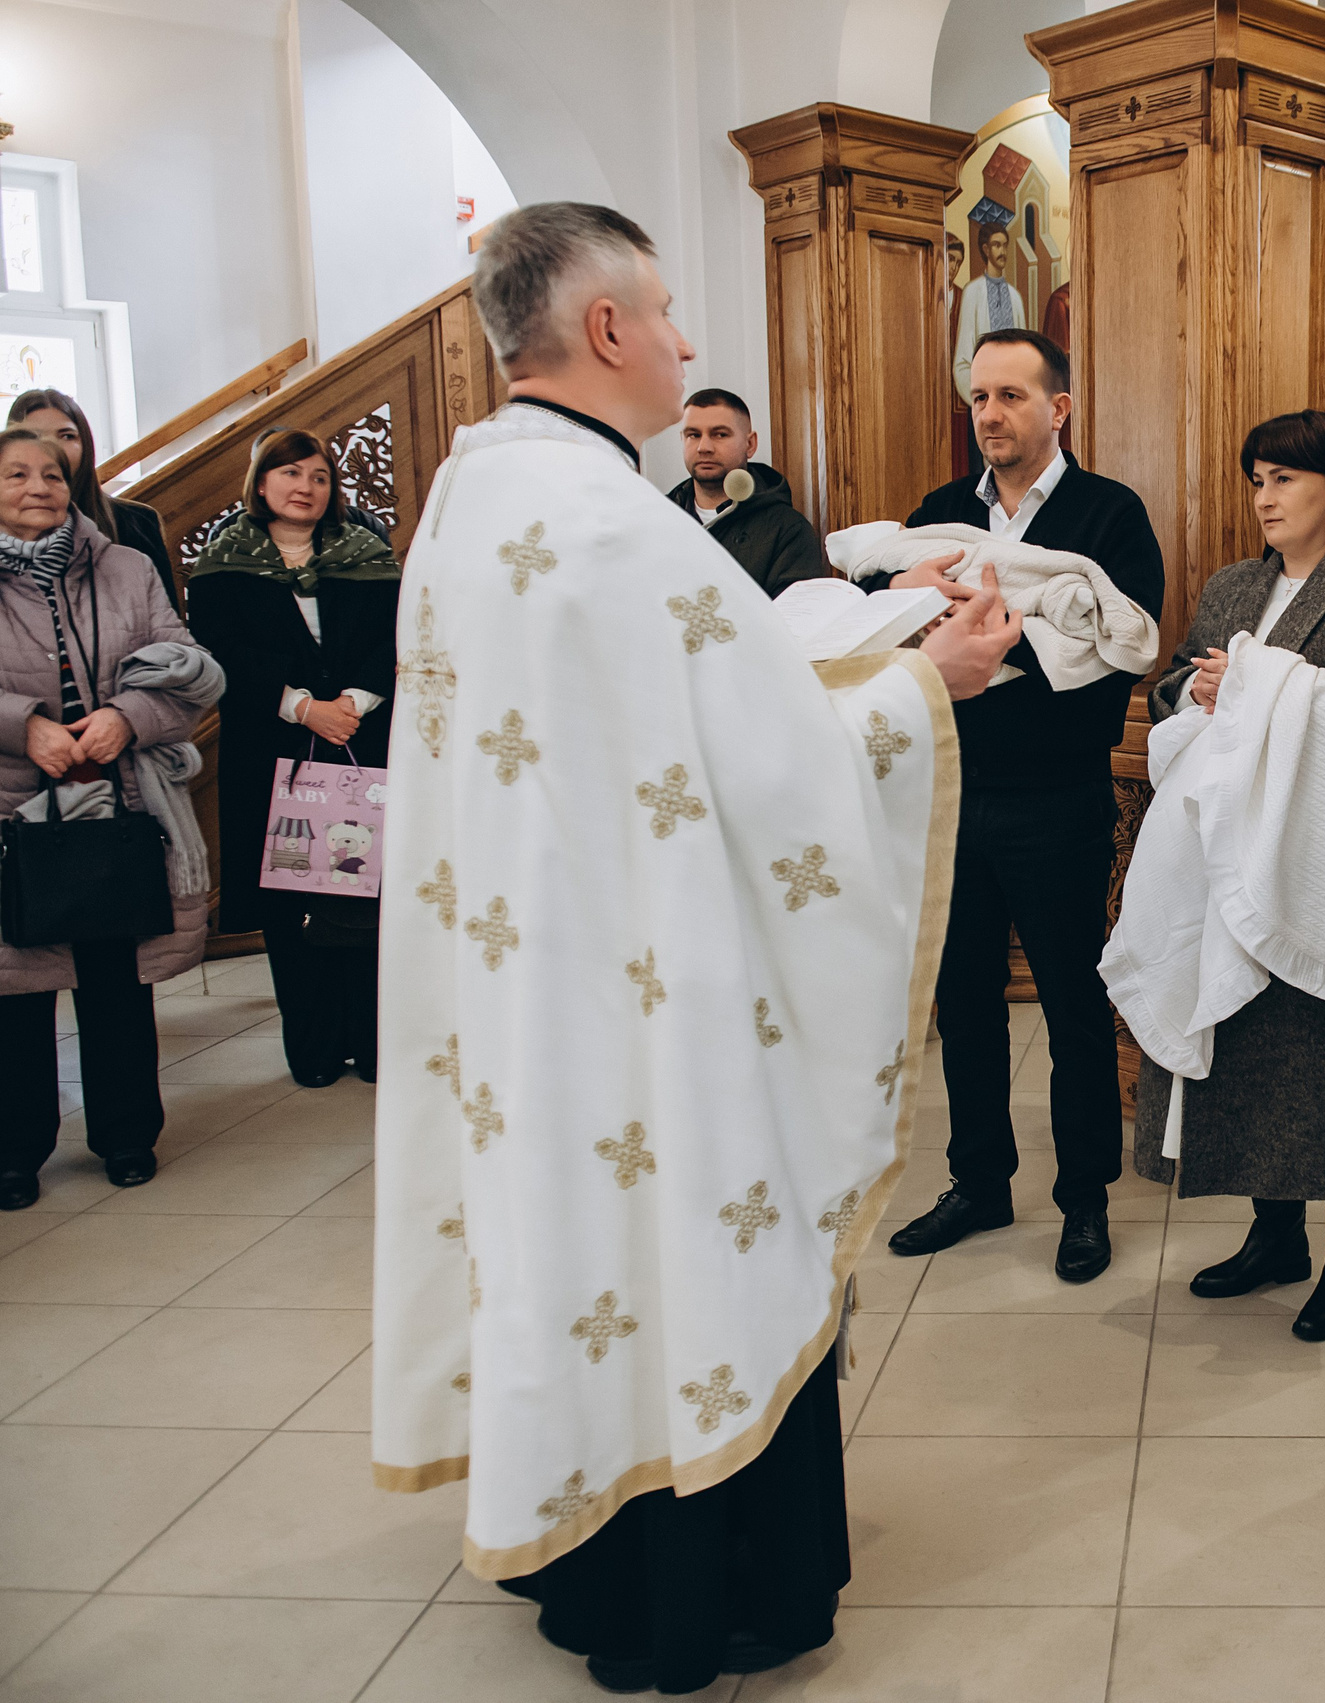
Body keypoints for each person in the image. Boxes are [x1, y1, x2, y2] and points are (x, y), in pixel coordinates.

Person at [370, 201, 1019, 1696]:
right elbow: (757, 761)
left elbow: (693, 693)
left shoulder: (485, 499)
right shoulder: (606, 519)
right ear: (604, 330)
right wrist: (938, 685)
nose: (686, 340)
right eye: (665, 311)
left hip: (544, 977)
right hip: (639, 992)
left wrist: (883, 627)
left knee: (572, 1252)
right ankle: (705, 1593)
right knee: (674, 1256)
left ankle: (582, 1543)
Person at [875, 326, 1165, 1283]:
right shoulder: (938, 514)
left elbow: (1120, 643)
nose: (990, 415)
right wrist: (984, 634)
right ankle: (979, 1180)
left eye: (1010, 396)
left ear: (1059, 407)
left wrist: (994, 648)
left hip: (1056, 797)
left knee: (1075, 1001)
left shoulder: (1107, 515)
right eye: (980, 398)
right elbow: (900, 625)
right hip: (950, 793)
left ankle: (1084, 1198)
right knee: (963, 1000)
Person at [1130, 410, 1325, 1341]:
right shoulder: (1231, 586)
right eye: (1256, 478)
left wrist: (1262, 689)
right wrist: (1203, 690)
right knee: (1246, 1039)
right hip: (1228, 844)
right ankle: (1274, 1233)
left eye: (1283, 480)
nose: (1263, 497)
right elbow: (1167, 687)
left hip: (1322, 849)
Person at [0, 428, 224, 1209]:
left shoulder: (126, 566)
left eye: (53, 474)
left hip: (118, 803)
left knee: (116, 978)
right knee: (15, 988)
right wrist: (23, 724)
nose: (39, 486)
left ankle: (126, 1135)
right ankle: (15, 1148)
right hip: (12, 813)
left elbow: (190, 670)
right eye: (17, 473)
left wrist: (128, 715)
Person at [185, 431, 401, 1087]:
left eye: (318, 476)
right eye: (289, 473)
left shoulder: (365, 555)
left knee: (362, 893)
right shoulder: (223, 562)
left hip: (360, 744)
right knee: (290, 904)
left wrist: (353, 703)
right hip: (273, 748)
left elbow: (393, 635)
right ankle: (312, 1049)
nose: (305, 486)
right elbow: (219, 652)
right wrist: (302, 706)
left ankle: (370, 1046)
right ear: (260, 483)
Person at [7, 389, 177, 607]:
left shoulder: (136, 521)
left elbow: (165, 621)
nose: (52, 447)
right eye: (36, 436)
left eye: (67, 436)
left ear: (85, 444)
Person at [665, 388, 828, 597]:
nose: (703, 447)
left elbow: (793, 619)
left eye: (720, 434)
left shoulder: (787, 530)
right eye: (693, 435)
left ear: (750, 444)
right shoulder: (660, 519)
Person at [949, 216, 1025, 403]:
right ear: (986, 249)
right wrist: (980, 401)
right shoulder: (972, 292)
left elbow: (1024, 354)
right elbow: (963, 360)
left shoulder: (1015, 297)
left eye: (1005, 245)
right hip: (982, 401)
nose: (1003, 251)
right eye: (997, 245)